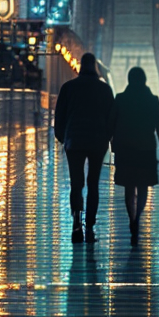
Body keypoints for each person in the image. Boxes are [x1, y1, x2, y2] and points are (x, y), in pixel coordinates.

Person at [54, 52, 114, 243]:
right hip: (97, 142)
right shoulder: (104, 90)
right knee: (94, 183)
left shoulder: (68, 87)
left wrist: (63, 138)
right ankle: (90, 227)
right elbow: (112, 117)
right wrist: (107, 138)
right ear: (95, 67)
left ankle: (76, 224)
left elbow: (59, 117)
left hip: (74, 141)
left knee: (76, 183)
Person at [110, 67, 159, 246]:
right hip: (146, 148)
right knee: (143, 187)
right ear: (144, 80)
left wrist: (111, 143)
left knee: (129, 187)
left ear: (129, 80)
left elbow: (112, 123)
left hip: (125, 148)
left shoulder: (120, 99)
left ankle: (131, 218)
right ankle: (138, 218)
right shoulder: (152, 100)